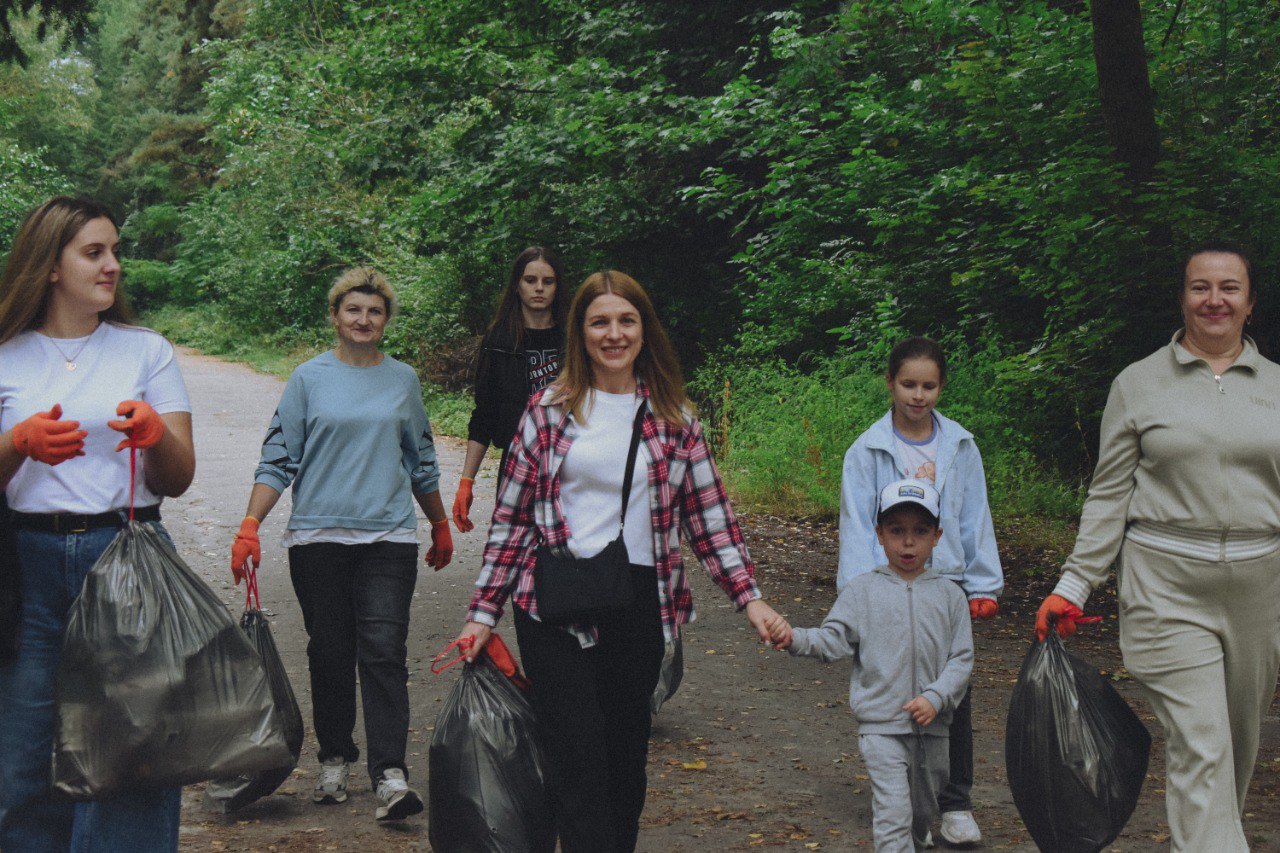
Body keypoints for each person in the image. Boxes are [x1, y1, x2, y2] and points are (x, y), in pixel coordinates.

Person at [452, 270, 786, 852]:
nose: (613, 334)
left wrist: (749, 598)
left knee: (625, 763)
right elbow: (511, 520)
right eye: (599, 321)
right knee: (577, 758)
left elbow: (709, 520)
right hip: (551, 604)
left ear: (643, 329)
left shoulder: (675, 419)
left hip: (638, 605)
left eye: (625, 320)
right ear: (580, 332)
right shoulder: (547, 412)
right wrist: (483, 614)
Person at [1036, 242, 1280, 852]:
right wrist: (1074, 583)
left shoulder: (1276, 387)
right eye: (1201, 287)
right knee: (1203, 744)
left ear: (1251, 302)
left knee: (1235, 750)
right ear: (1183, 298)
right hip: (1165, 587)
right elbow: (1109, 495)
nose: (1214, 299)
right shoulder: (1139, 384)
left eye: (1229, 288)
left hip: (1259, 590)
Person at [0, 196, 196, 851]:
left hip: (125, 558)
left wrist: (153, 435)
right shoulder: (8, 354)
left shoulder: (146, 351)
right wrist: (17, 442)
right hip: (25, 570)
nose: (113, 265)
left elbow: (178, 474)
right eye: (94, 252)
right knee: (23, 752)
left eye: (115, 251)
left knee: (132, 752)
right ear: (50, 265)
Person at [229, 267, 453, 823]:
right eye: (353, 310)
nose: (364, 319)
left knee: (384, 651)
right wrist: (250, 524)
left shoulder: (403, 380)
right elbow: (279, 455)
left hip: (388, 536)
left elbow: (421, 458)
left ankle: (390, 774)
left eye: (375, 312)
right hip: (318, 536)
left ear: (385, 321)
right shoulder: (308, 378)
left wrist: (440, 523)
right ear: (335, 315)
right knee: (329, 650)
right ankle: (334, 756)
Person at [837, 335, 1001, 846]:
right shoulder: (868, 450)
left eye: (929, 385)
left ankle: (954, 802)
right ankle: (907, 807)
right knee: (895, 689)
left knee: (951, 695)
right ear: (890, 383)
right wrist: (859, 594)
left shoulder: (959, 445)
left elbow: (975, 514)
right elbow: (858, 525)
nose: (918, 395)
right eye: (908, 384)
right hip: (886, 584)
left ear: (941, 387)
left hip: (945, 580)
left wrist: (983, 581)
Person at [773, 479, 973, 852]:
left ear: (937, 536)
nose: (908, 542)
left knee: (920, 813)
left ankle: (916, 837)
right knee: (892, 814)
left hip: (934, 731)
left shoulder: (950, 596)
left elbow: (961, 659)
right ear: (879, 534)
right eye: (897, 531)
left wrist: (936, 697)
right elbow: (831, 639)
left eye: (920, 531)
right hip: (881, 727)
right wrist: (794, 638)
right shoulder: (862, 591)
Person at [452, 246, 567, 532]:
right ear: (517, 285)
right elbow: (485, 412)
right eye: (530, 280)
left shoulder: (574, 336)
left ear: (557, 286)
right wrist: (467, 480)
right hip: (519, 465)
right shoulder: (499, 339)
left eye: (548, 281)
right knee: (515, 555)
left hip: (573, 464)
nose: (539, 288)